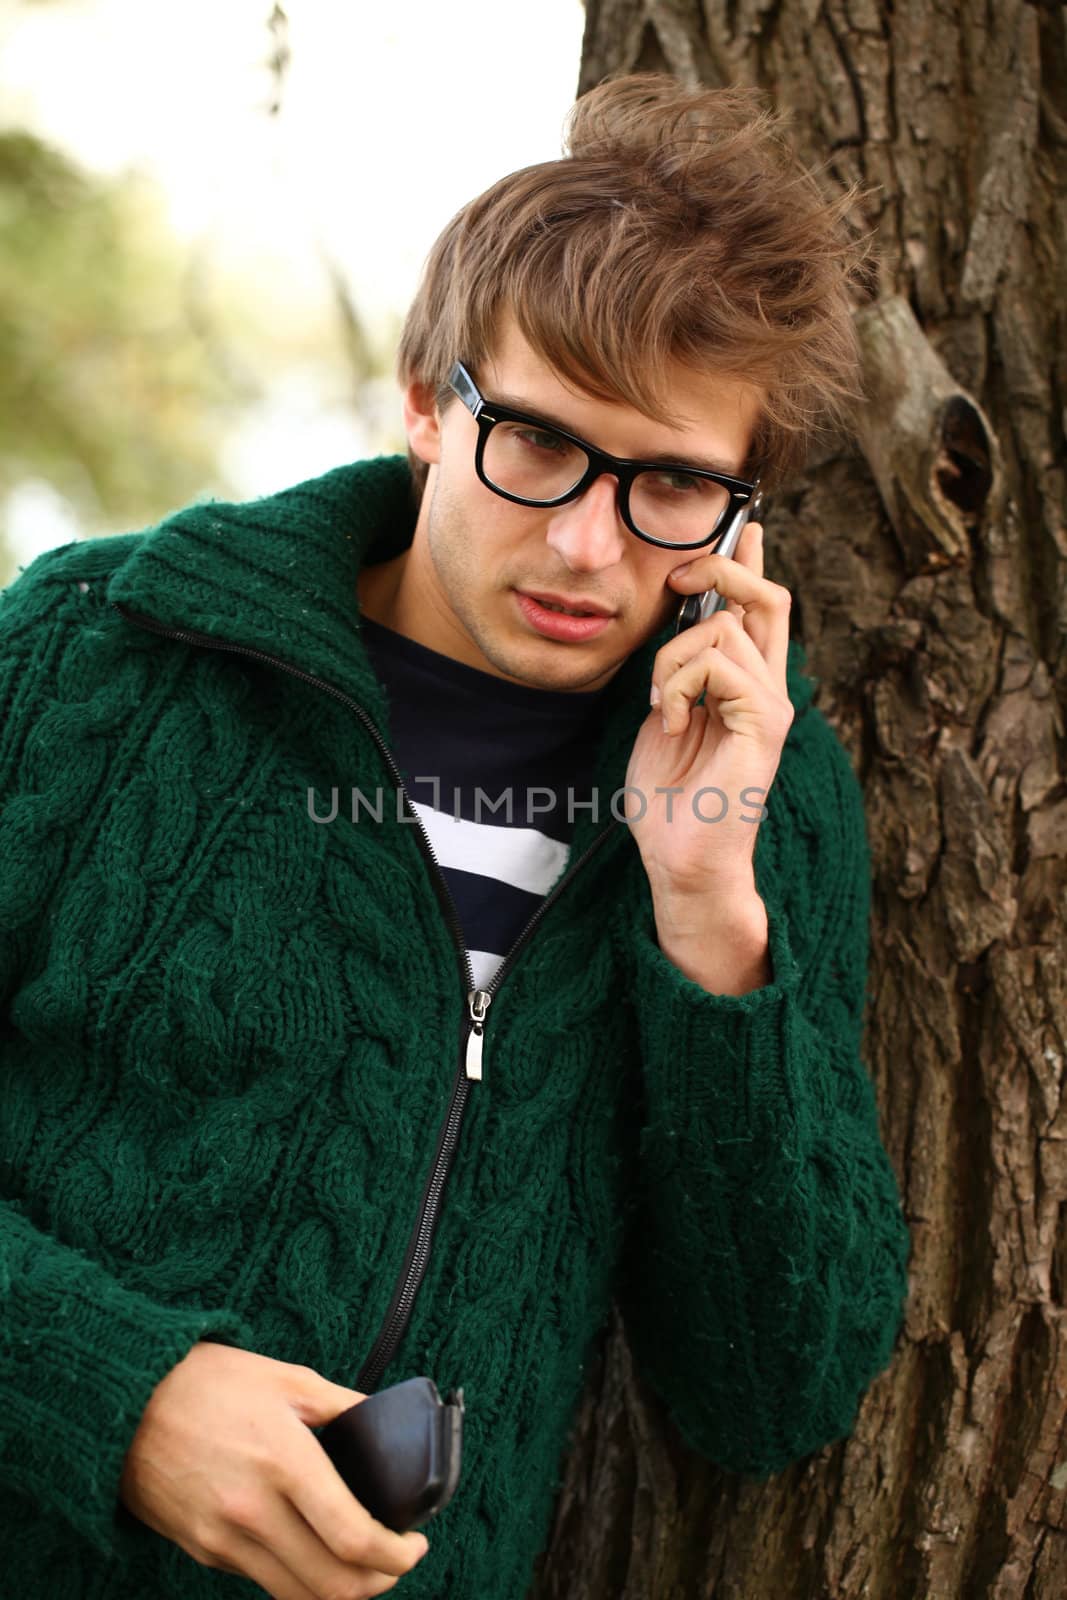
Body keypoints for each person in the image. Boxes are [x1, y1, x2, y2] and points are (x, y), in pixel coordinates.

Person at [0, 72, 911, 1600]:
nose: (585, 542)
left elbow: (777, 1393)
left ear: (743, 519)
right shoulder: (96, 661)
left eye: (673, 483)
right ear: (425, 404)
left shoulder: (765, 803)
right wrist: (120, 1394)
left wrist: (706, 912)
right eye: (538, 444)